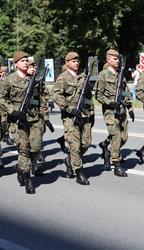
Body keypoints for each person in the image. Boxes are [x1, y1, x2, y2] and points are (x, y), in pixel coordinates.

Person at [53, 52, 94, 185]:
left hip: (84, 115)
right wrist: (70, 109)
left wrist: (92, 112)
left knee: (86, 143)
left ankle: (70, 160)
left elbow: (88, 98)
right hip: (70, 117)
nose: (76, 62)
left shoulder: (83, 77)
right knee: (75, 145)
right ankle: (79, 172)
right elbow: (57, 96)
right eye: (73, 61)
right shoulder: (62, 78)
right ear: (67, 63)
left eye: (77, 60)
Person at [0, 52, 38, 194]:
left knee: (35, 148)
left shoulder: (31, 79)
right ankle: (28, 178)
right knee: (24, 148)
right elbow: (1, 98)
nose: (26, 63)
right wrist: (12, 111)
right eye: (22, 61)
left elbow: (37, 98)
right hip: (16, 119)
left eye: (27, 60)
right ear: (16, 64)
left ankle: (20, 168)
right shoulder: (9, 80)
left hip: (32, 118)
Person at [94, 49, 134, 177]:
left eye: (118, 59)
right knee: (116, 137)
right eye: (114, 58)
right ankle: (116, 165)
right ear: (108, 60)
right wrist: (109, 102)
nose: (117, 61)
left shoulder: (120, 75)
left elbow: (125, 92)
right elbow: (98, 95)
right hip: (110, 112)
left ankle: (106, 145)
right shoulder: (103, 75)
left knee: (124, 137)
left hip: (122, 111)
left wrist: (130, 108)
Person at [26, 60, 53, 175]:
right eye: (30, 67)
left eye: (34, 67)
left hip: (36, 115)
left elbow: (44, 94)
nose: (33, 69)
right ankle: (24, 167)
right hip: (22, 115)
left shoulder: (38, 81)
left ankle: (34, 163)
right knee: (24, 144)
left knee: (36, 141)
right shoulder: (19, 80)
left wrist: (50, 100)